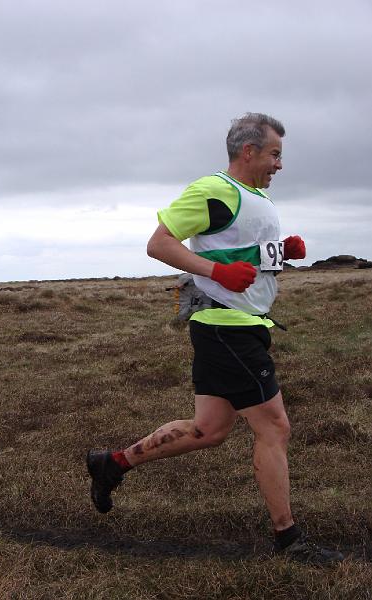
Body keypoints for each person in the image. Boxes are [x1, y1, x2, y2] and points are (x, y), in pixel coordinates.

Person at [87, 113, 344, 564]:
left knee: (209, 429)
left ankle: (113, 463)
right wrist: (215, 271)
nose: (279, 165)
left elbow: (238, 248)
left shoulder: (255, 196)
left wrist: (284, 252)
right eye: (274, 154)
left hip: (243, 326)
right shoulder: (214, 190)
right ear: (248, 152)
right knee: (274, 426)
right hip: (226, 327)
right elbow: (160, 243)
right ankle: (289, 539)